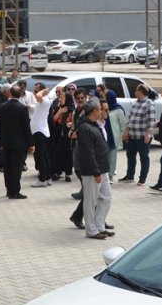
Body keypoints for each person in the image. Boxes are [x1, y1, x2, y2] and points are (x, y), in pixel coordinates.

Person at [76, 97, 114, 240]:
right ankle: (91, 230)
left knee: (106, 198)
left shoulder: (93, 124)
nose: (101, 111)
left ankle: (99, 226)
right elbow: (88, 153)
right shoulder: (85, 128)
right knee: (90, 201)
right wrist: (95, 171)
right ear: (93, 111)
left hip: (102, 169)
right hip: (93, 171)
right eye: (99, 109)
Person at [0, 84, 35, 199]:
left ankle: (9, 190)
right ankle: (15, 191)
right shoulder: (22, 108)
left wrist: (0, 142)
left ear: (10, 93)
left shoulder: (2, 107)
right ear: (20, 95)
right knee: (16, 168)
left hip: (6, 142)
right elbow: (26, 127)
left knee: (7, 167)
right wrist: (31, 143)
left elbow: (0, 126)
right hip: (19, 143)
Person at [119, 84, 155, 187]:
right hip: (133, 136)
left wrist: (148, 134)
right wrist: (126, 132)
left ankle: (142, 179)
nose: (135, 92)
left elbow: (151, 121)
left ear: (141, 91)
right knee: (130, 156)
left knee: (143, 157)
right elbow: (130, 120)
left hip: (143, 137)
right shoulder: (135, 103)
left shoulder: (149, 104)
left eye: (136, 90)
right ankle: (130, 176)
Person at [28, 82, 53, 187]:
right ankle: (47, 177)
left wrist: (44, 91)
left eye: (35, 91)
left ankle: (42, 179)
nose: (34, 93)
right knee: (44, 155)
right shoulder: (43, 101)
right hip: (40, 131)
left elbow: (38, 96)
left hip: (40, 132)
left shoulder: (45, 100)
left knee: (41, 156)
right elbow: (37, 107)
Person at [48, 87, 74, 182]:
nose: (59, 99)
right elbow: (53, 120)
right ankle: (57, 172)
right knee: (57, 153)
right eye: (59, 98)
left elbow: (73, 121)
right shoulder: (58, 108)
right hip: (58, 133)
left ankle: (67, 174)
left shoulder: (71, 109)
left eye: (62, 98)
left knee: (68, 154)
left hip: (67, 135)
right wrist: (59, 112)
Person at [104, 91, 127, 184]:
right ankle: (104, 174)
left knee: (112, 157)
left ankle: (110, 175)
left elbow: (123, 125)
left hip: (114, 136)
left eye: (107, 97)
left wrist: (121, 137)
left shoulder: (118, 109)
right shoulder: (104, 108)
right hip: (104, 134)